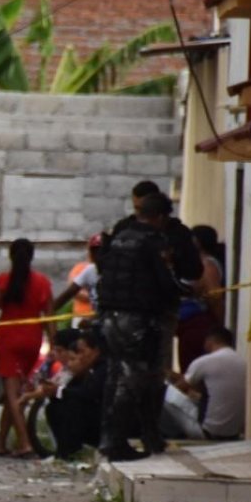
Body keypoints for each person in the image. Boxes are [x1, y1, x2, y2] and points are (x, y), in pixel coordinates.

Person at [96, 192, 179, 460]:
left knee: (117, 378)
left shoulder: (120, 235)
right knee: (135, 379)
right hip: (136, 319)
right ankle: (119, 442)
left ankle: (117, 439)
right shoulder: (151, 242)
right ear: (160, 216)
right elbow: (164, 283)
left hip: (110, 316)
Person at [0, 238, 53, 459]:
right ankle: (0, 442)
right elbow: (51, 319)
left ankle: (25, 443)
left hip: (9, 340)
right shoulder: (43, 283)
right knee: (16, 394)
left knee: (12, 395)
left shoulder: (3, 281)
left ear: (11, 256)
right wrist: (54, 345)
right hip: (32, 340)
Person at [162, 327, 246, 440]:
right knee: (193, 401)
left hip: (208, 432)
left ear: (209, 341)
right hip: (233, 432)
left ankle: (168, 435)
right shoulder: (243, 362)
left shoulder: (205, 361)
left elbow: (179, 388)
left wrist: (167, 374)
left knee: (163, 394)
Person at [40, 329, 107, 460]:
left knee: (70, 408)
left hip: (106, 422)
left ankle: (70, 453)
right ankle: (65, 453)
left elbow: (89, 394)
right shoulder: (93, 367)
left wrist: (58, 391)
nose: (80, 357)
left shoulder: (103, 368)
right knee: (56, 407)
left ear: (96, 351)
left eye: (83, 351)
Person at [176, 225, 225, 373]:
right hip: (185, 327)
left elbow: (214, 296)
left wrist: (219, 325)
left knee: (194, 370)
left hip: (198, 325)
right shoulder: (193, 264)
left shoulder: (207, 265)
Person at [52, 233, 103, 327]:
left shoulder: (117, 271)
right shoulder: (88, 269)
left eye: (101, 251)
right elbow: (71, 292)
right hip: (83, 316)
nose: (98, 255)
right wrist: (48, 310)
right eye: (95, 251)